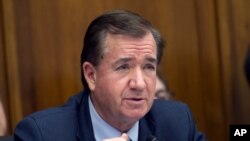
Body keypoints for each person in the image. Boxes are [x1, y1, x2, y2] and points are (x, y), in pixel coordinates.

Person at [14, 10, 206, 141]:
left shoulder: (177, 122)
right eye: (123, 67)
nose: (139, 83)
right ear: (91, 75)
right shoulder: (41, 135)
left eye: (148, 67)